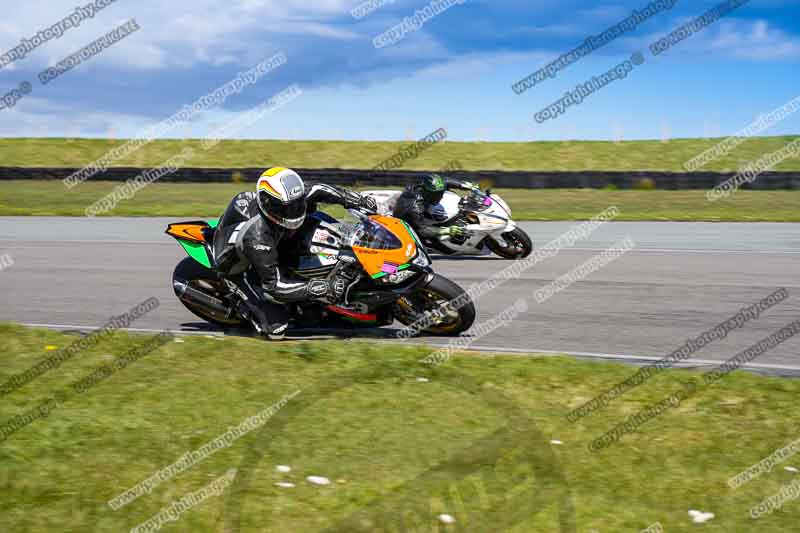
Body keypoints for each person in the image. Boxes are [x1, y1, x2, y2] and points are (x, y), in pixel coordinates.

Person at [212, 167, 377, 339]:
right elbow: (275, 286)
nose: (296, 211)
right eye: (289, 208)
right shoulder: (257, 237)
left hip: (274, 239)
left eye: (298, 204)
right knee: (276, 329)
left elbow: (321, 189)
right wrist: (317, 288)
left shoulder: (290, 197)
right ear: (270, 205)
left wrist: (354, 199)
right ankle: (246, 308)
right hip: (238, 266)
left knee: (318, 224)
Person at [392, 173, 479, 245]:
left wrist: (468, 186)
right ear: (427, 192)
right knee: (423, 241)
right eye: (436, 194)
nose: (439, 195)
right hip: (407, 222)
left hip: (422, 209)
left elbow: (447, 181)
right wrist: (447, 230)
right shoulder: (415, 207)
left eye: (440, 192)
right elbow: (422, 229)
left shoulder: (434, 188)